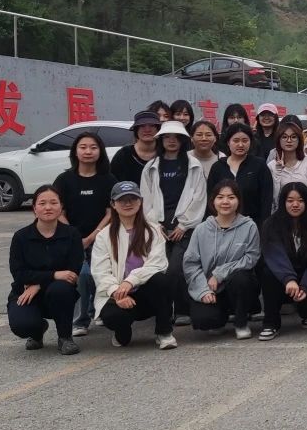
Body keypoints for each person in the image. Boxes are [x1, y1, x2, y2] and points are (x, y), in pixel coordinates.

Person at [92, 181, 177, 350]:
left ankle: (164, 332)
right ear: (113, 204)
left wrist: (130, 281)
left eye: (133, 198)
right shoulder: (103, 236)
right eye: (122, 200)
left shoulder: (153, 230)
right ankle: (122, 331)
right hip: (118, 297)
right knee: (113, 317)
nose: (128, 203)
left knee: (161, 280)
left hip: (146, 294)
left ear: (140, 201)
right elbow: (100, 272)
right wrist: (117, 292)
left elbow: (157, 264)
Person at [140, 120, 208, 325]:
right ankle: (163, 311)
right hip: (158, 226)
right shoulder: (151, 167)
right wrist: (154, 224)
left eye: (176, 137)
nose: (171, 141)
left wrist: (184, 225)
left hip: (185, 226)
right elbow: (145, 199)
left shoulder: (193, 165)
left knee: (177, 268)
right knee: (160, 268)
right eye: (167, 137)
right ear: (161, 140)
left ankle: (182, 310)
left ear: (183, 140)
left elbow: (199, 198)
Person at [7, 186, 83, 354]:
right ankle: (37, 331)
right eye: (42, 203)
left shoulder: (72, 234)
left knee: (61, 289)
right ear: (34, 208)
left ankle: (65, 337)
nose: (48, 207)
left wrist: (38, 284)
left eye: (53, 203)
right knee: (22, 325)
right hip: (25, 292)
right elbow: (19, 274)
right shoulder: (21, 237)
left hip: (58, 293)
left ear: (61, 207)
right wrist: (54, 275)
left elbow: (72, 273)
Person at [53, 131, 115, 337]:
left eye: (93, 147)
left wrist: (93, 236)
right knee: (82, 276)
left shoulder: (108, 179)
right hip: (71, 240)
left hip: (102, 238)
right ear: (75, 151)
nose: (88, 151)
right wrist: (74, 236)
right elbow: (59, 211)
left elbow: (111, 212)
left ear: (100, 151)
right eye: (83, 147)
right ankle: (80, 320)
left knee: (99, 274)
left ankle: (100, 310)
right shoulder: (64, 179)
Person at [182, 180, 261, 339]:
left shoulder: (249, 226)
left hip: (237, 286)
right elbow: (191, 264)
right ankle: (219, 319)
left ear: (238, 201)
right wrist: (203, 289)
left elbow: (251, 258)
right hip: (211, 288)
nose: (225, 201)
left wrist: (219, 274)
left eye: (231, 197)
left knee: (241, 278)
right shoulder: (201, 229)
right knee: (203, 321)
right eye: (220, 197)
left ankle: (241, 322)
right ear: (213, 201)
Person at [257, 183, 307, 340]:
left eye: (300, 200)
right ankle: (271, 323)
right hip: (282, 279)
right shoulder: (271, 225)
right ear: (283, 202)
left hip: (305, 279)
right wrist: (289, 279)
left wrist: (305, 287)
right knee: (267, 273)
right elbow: (274, 255)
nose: (295, 204)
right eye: (290, 200)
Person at [207, 123, 274, 225]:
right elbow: (211, 198)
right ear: (228, 142)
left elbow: (266, 200)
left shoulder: (259, 165)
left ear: (250, 142)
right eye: (236, 140)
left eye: (245, 140)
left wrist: (263, 226)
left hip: (252, 224)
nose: (240, 145)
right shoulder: (218, 167)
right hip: (222, 225)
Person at [266, 118, 307, 213]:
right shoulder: (272, 165)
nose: (289, 140)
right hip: (281, 215)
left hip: (305, 214)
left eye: (293, 137)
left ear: (299, 140)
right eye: (284, 137)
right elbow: (274, 198)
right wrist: (278, 173)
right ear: (279, 140)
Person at [109, 111, 161, 185]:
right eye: (142, 126)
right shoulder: (123, 155)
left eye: (152, 125)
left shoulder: (165, 153)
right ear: (136, 130)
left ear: (158, 129)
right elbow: (113, 184)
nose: (147, 130)